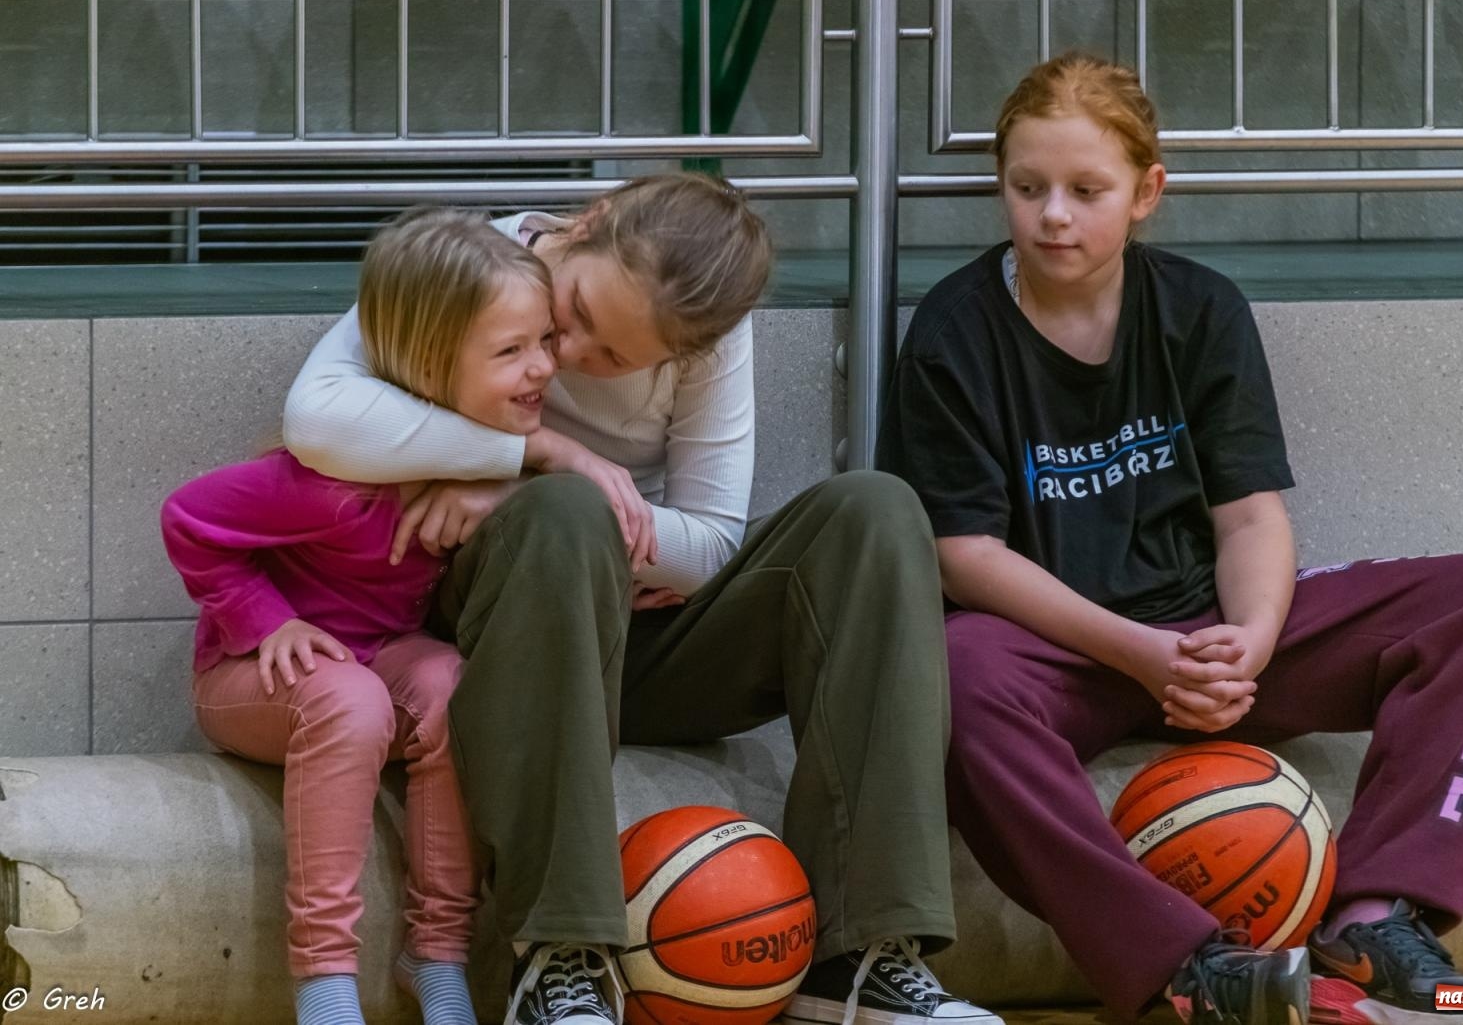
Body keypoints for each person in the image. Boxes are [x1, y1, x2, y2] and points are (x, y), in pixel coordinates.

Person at [877, 52, 1463, 1025]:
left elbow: (1250, 514)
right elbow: (962, 555)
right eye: (1026, 188)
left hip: (1211, 632)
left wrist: (1252, 638)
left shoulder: (1199, 307)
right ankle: (1184, 965)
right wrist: (1139, 654)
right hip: (1065, 650)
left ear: (1146, 192)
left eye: (1084, 190)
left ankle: (1374, 913)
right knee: (952, 673)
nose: (1053, 213)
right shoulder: (954, 331)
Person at [281, 172, 1001, 1025]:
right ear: (585, 224)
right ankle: (556, 960)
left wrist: (525, 495)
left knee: (875, 510)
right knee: (566, 510)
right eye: (574, 311)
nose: (573, 355)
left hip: (645, 638)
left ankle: (858, 960)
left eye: (616, 356)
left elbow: (709, 545)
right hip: (503, 630)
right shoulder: (478, 258)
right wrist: (537, 458)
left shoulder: (709, 340)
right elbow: (315, 417)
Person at [162, 209, 563, 1025]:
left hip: (383, 654)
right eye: (512, 351)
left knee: (451, 684)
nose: (544, 368)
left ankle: (437, 952)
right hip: (252, 677)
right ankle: (325, 978)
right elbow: (187, 518)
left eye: (548, 340)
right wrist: (264, 619)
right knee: (351, 699)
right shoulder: (328, 481)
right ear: (426, 363)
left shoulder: (476, 471)